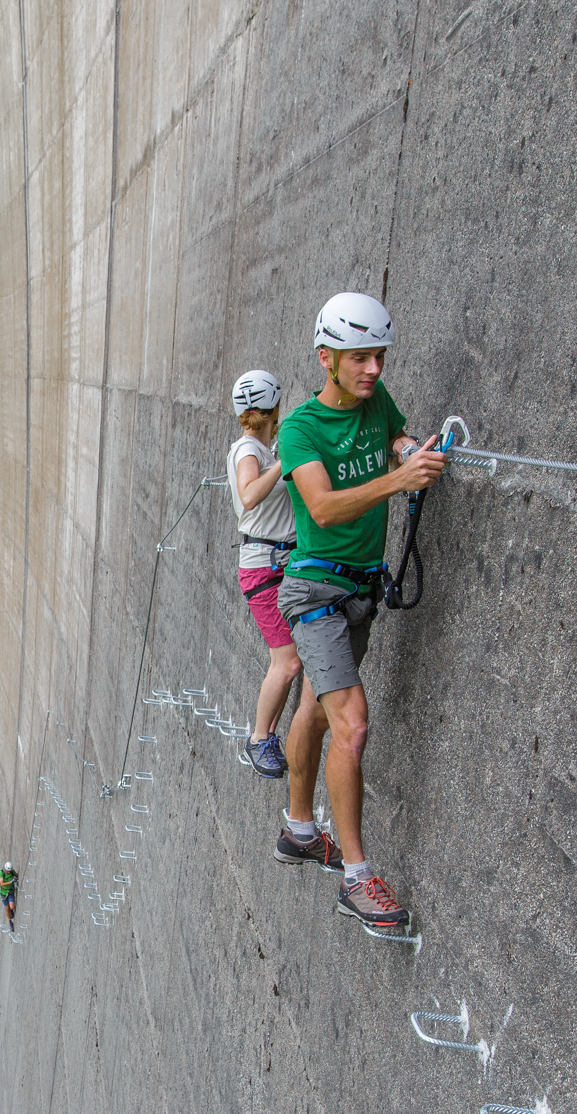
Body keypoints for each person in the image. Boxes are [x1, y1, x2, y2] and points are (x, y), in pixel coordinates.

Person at [269, 292, 446, 930]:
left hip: (361, 593)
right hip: (313, 594)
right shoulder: (300, 428)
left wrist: (402, 450)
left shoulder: (376, 401)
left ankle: (297, 828)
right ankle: (357, 879)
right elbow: (321, 507)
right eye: (360, 358)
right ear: (327, 359)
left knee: (316, 709)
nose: (374, 368)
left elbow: (393, 432)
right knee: (353, 724)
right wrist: (401, 481)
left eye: (380, 356)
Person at [225, 369, 301, 780]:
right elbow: (251, 494)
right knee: (287, 662)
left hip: (278, 563)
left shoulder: (259, 449)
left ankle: (266, 736)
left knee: (292, 658)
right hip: (266, 570)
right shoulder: (249, 450)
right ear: (274, 406)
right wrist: (284, 465)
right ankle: (258, 739)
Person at [0, 863, 18, 930]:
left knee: (11, 906)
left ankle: (11, 909)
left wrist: (15, 877)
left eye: (10, 871)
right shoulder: (1, 873)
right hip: (4, 893)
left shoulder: (12, 871)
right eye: (8, 871)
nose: (9, 872)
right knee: (7, 908)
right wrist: (11, 881)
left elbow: (16, 875)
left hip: (10, 891)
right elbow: (2, 883)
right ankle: (10, 921)